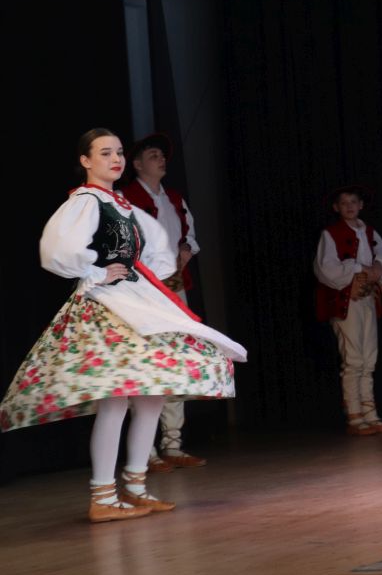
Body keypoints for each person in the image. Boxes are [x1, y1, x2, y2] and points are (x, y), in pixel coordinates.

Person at [0, 128, 245, 522]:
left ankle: (135, 485)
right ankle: (102, 495)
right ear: (85, 161)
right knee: (115, 400)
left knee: (151, 395)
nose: (114, 159)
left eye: (117, 152)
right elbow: (56, 252)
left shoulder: (123, 206)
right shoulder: (85, 201)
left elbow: (157, 251)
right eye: (104, 153)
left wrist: (149, 275)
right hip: (107, 304)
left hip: (135, 298)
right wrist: (98, 272)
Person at [121, 132, 207, 471]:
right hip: (143, 292)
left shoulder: (174, 198)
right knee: (145, 365)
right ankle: (146, 451)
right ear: (137, 164)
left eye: (161, 155)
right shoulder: (125, 199)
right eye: (153, 155)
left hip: (174, 288)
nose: (161, 160)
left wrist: (185, 252)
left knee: (175, 362)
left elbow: (190, 236)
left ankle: (173, 443)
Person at [314, 185, 382, 436]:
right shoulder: (331, 234)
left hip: (367, 299)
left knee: (369, 357)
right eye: (344, 203)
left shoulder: (369, 232)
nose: (349, 206)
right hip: (346, 301)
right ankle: (355, 415)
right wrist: (358, 269)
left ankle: (370, 413)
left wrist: (377, 269)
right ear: (336, 207)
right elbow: (326, 268)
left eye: (353, 202)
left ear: (360, 205)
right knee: (354, 359)